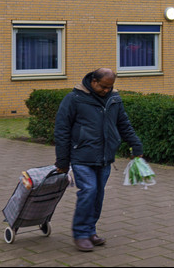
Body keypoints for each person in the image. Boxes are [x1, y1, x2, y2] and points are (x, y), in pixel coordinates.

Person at [53, 67, 144, 252]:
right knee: (89, 190)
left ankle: (90, 231)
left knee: (98, 195)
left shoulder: (114, 99)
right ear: (93, 81)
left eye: (110, 87)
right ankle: (80, 234)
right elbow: (61, 131)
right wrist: (62, 162)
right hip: (81, 156)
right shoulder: (74, 99)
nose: (106, 90)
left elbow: (123, 123)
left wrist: (136, 145)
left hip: (105, 157)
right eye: (103, 87)